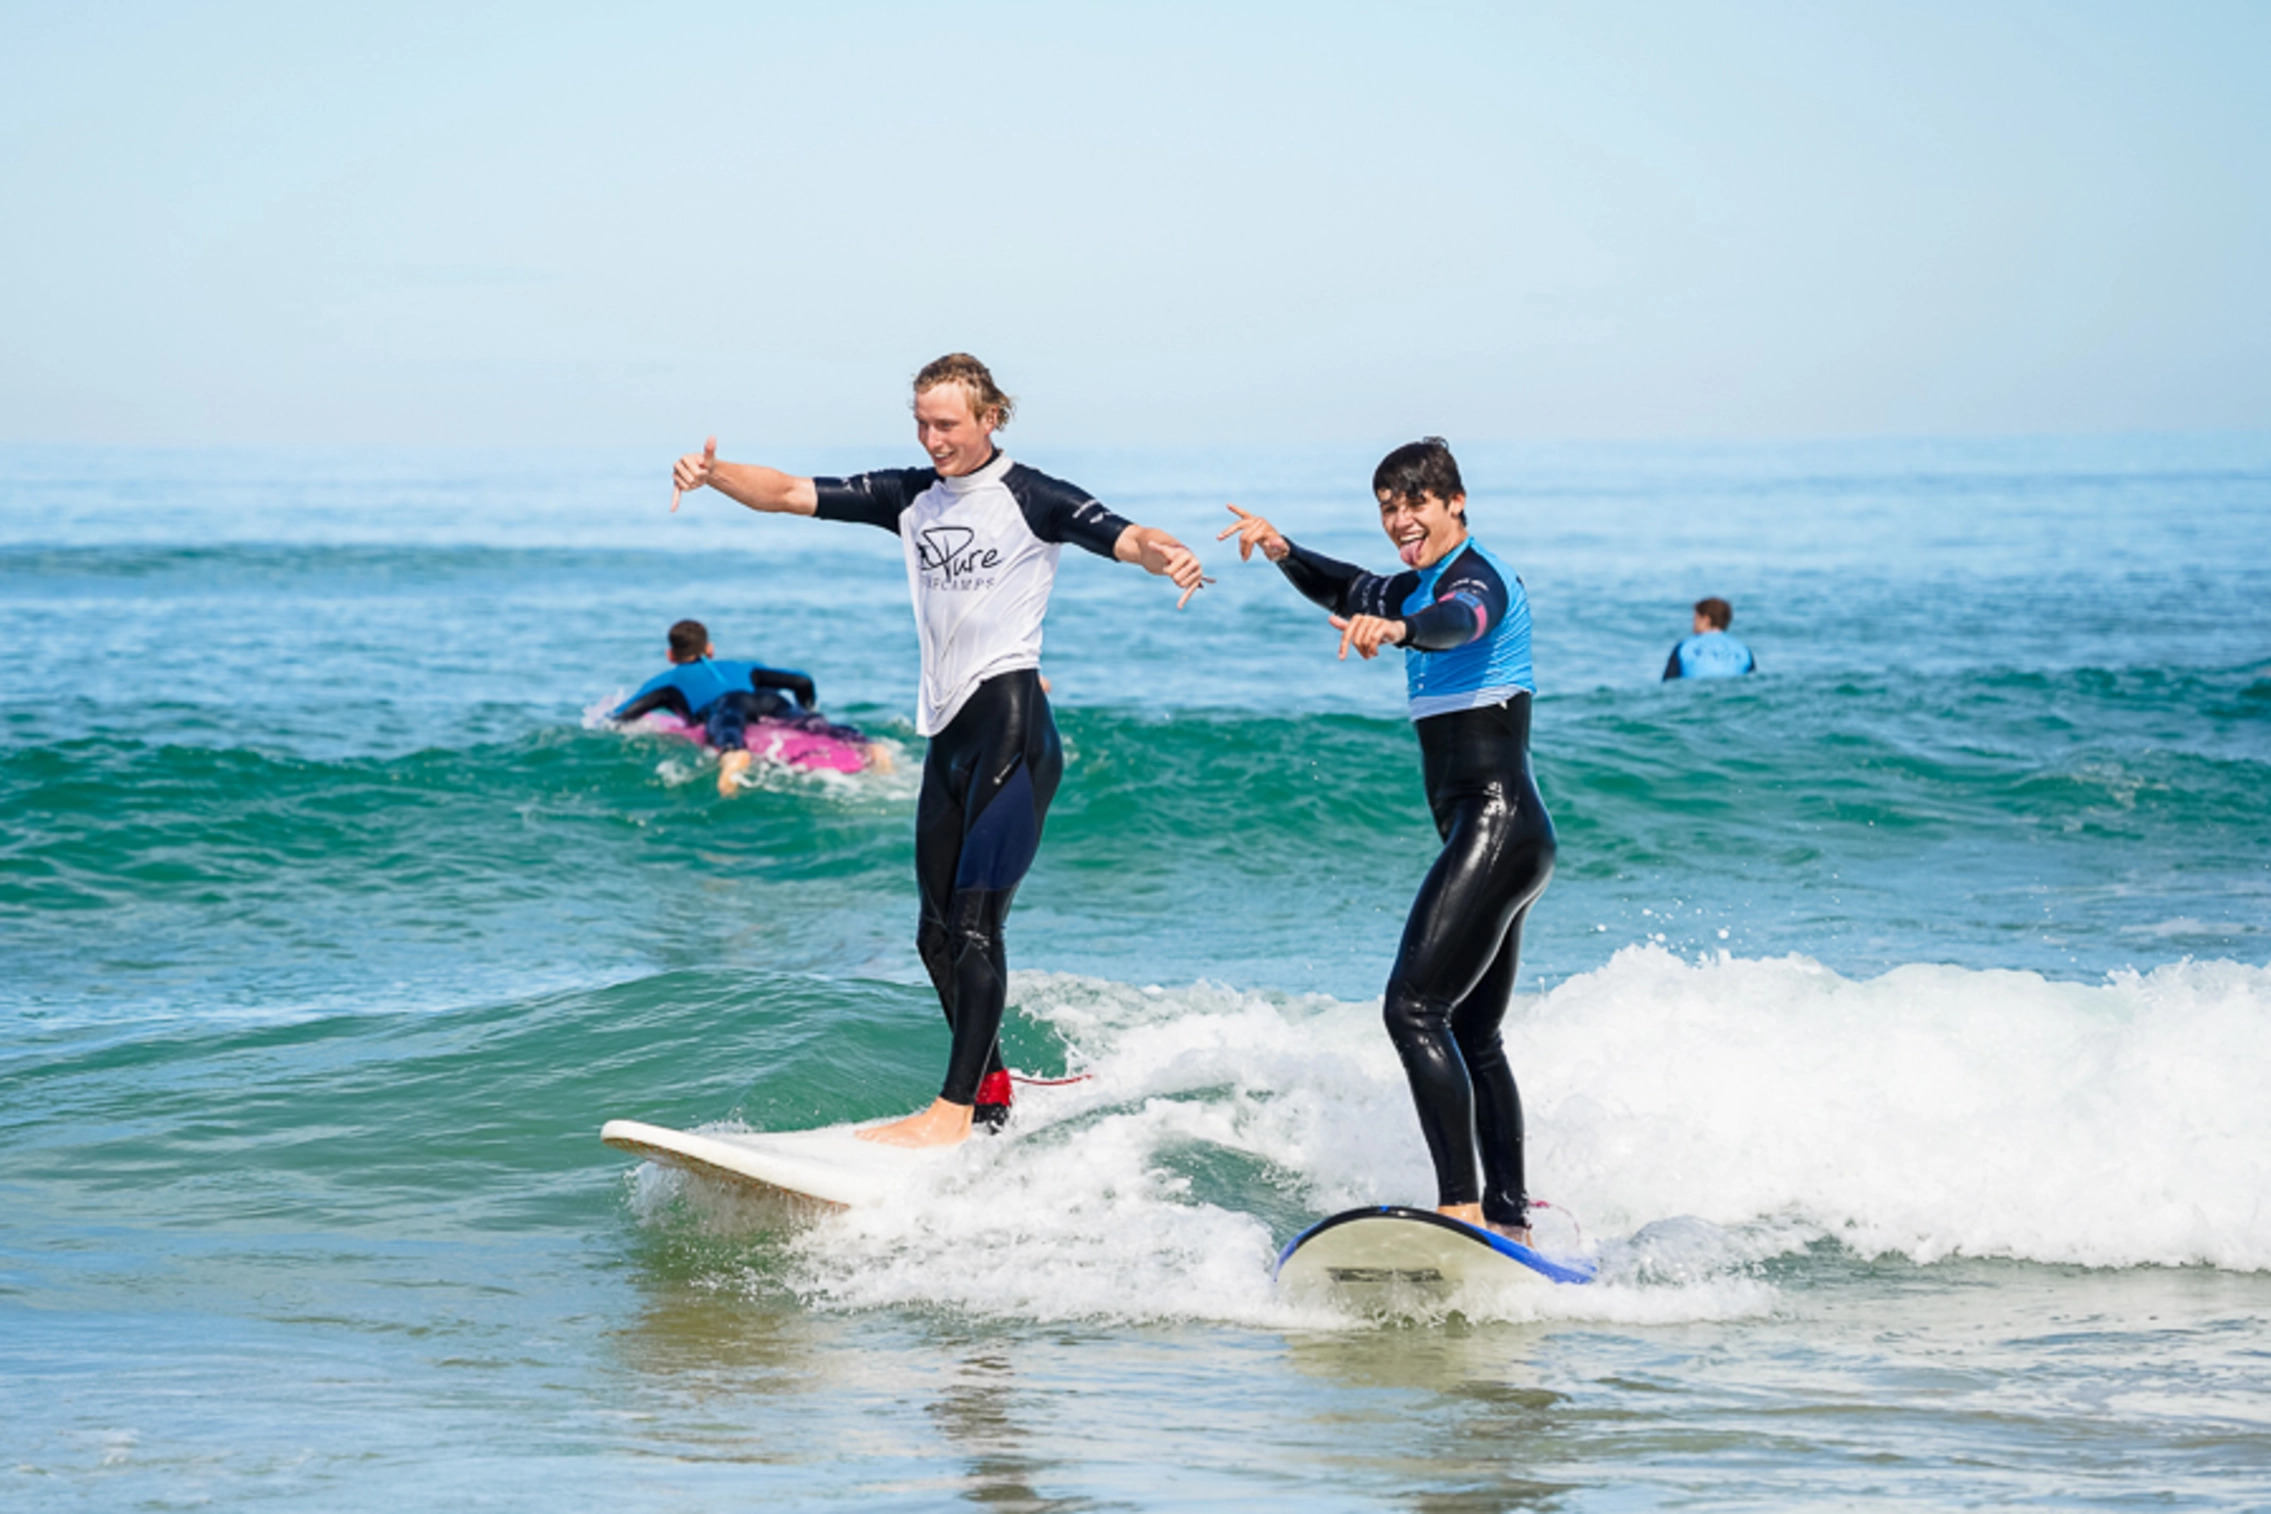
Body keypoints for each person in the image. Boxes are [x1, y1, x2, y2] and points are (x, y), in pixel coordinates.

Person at [669, 353, 1210, 1147]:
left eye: (947, 423)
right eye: (921, 423)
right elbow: (788, 493)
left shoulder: (1034, 497)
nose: (932, 438)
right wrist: (714, 476)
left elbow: (1125, 536)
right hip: (947, 735)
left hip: (1013, 730)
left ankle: (951, 1114)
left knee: (975, 926)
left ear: (991, 417)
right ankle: (989, 1095)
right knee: (933, 934)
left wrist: (1168, 555)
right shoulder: (911, 497)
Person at [1219, 437, 1554, 1244]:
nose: (1400, 521)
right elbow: (1344, 584)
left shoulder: (1476, 581)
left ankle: (1459, 1209)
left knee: (1411, 1009)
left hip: (1496, 821)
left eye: (1415, 504)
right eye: (1387, 509)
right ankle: (1510, 1219)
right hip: (1502, 829)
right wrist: (1278, 549)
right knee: (1472, 1031)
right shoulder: (1415, 582)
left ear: (1454, 503)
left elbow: (1451, 623)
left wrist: (1400, 633)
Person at [611, 619, 831, 796]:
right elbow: (803, 682)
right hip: (766, 700)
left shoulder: (667, 681)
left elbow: (621, 716)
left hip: (727, 706)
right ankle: (860, 745)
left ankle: (733, 755)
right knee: (799, 718)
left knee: (727, 721)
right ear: (710, 649)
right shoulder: (743, 666)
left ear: (670, 655)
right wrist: (807, 709)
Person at [1662, 597, 1756, 680]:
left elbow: (1668, 686)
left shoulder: (1684, 648)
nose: (1693, 624)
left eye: (1696, 619)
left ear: (1706, 620)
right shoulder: (1744, 650)